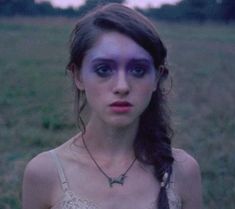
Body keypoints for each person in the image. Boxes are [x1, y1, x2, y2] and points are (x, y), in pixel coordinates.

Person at [22, 3, 203, 209]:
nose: (122, 86)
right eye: (103, 69)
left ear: (157, 77)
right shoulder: (44, 173)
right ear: (78, 76)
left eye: (138, 70)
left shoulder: (183, 171)